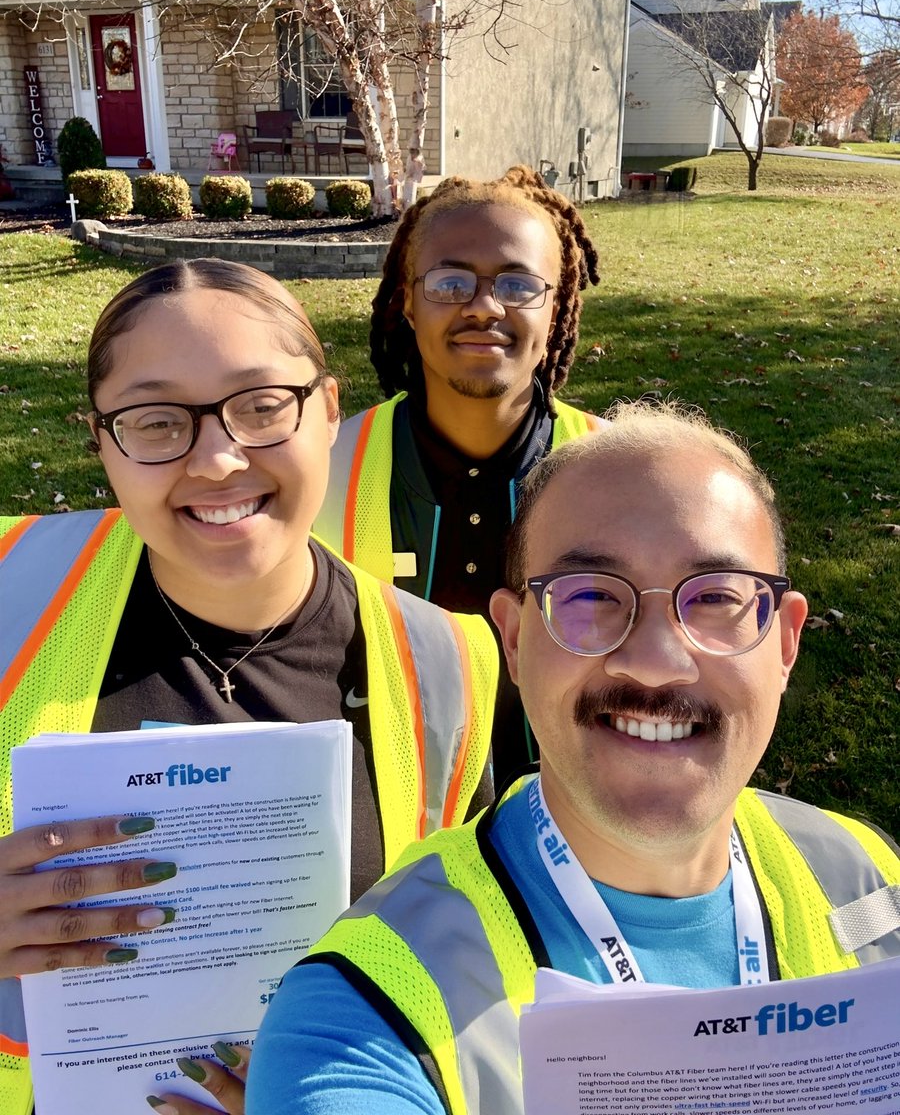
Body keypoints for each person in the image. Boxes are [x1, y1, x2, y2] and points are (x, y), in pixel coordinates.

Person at [248, 400, 900, 1115]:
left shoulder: (867, 871)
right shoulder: (359, 1017)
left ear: (783, 643)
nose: (655, 663)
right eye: (590, 595)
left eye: (714, 596)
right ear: (517, 640)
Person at [0, 259, 499, 1115]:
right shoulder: (11, 591)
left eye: (262, 407)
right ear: (102, 444)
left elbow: (455, 970)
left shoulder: (449, 661)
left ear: (330, 411)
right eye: (156, 421)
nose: (219, 458)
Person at [315, 165, 604, 780]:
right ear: (408, 302)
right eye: (449, 283)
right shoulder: (321, 469)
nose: (483, 307)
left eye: (519, 284)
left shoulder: (620, 473)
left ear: (555, 309)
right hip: (383, 825)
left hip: (569, 824)